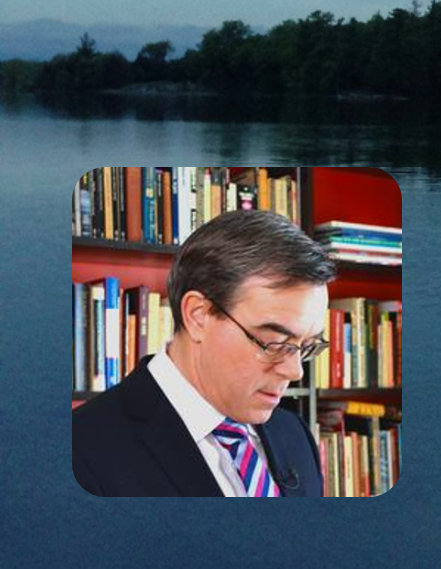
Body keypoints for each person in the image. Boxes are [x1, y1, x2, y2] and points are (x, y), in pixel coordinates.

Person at [73, 208, 337, 496]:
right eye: (273, 342)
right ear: (198, 315)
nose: (295, 371)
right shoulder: (79, 451)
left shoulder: (295, 434)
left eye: (308, 345)